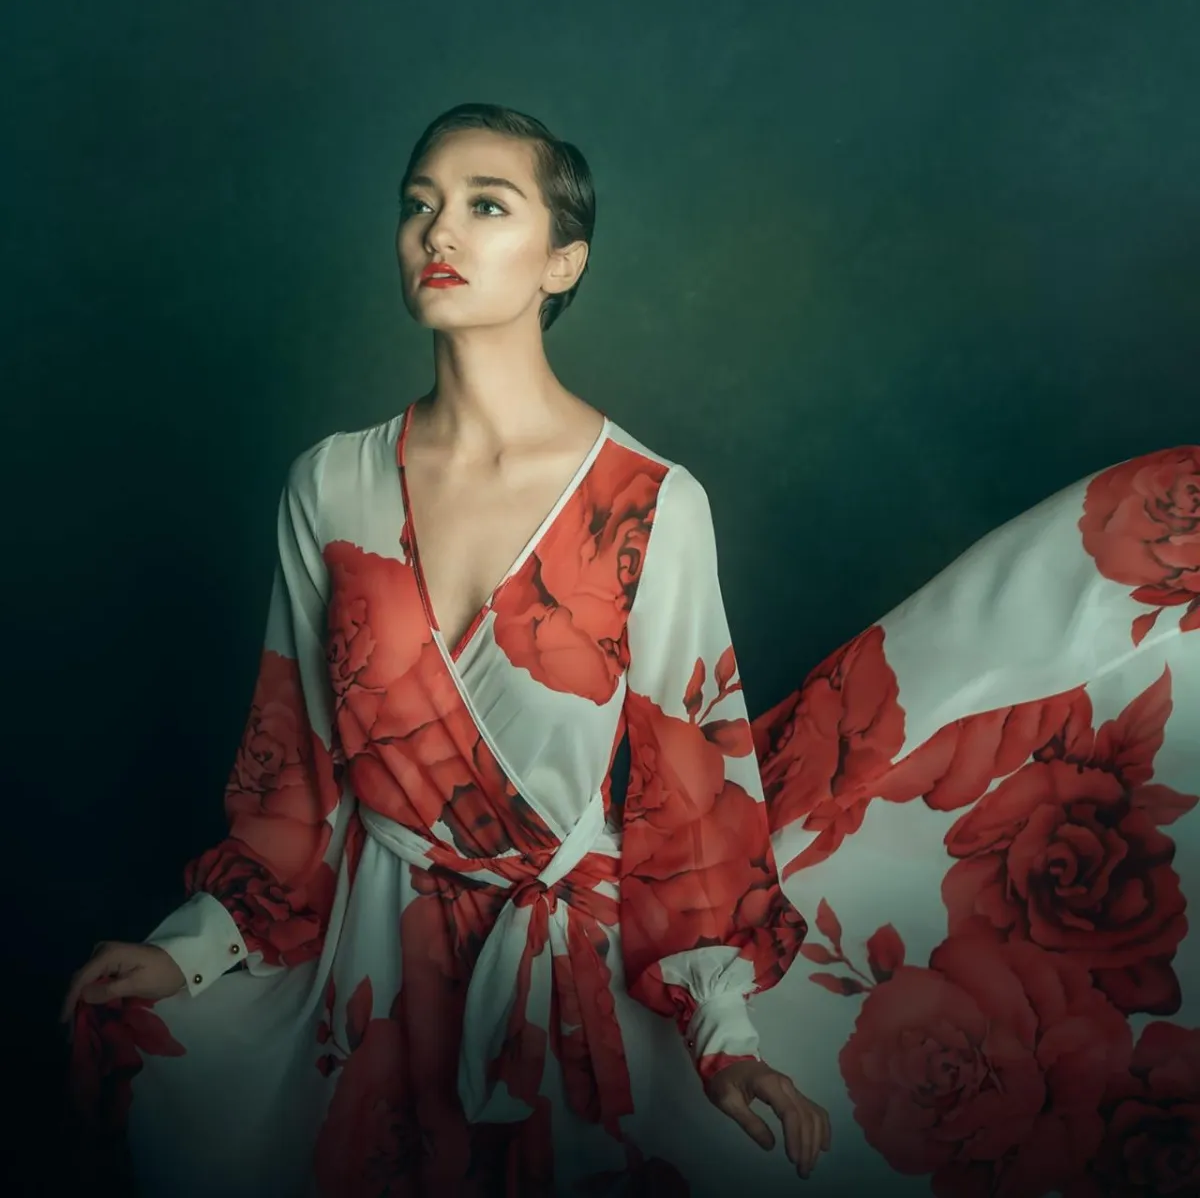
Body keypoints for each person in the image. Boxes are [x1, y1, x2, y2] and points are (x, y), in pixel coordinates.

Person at [62, 102, 831, 1197]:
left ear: (562, 261)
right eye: (419, 204)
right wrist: (195, 947)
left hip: (572, 970)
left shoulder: (655, 503)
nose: (439, 232)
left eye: (485, 205)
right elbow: (293, 767)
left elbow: (694, 796)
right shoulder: (328, 484)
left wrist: (723, 1035)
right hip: (376, 961)